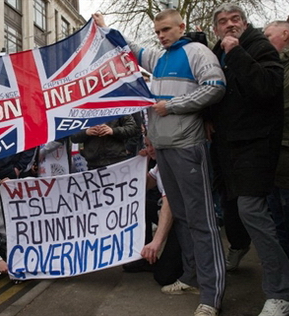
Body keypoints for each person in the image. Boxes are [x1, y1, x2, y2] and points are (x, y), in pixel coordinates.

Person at [93, 9, 226, 316]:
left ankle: (211, 295)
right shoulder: (160, 58)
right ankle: (192, 277)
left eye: (166, 29)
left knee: (201, 222)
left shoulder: (197, 52)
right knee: (182, 217)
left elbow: (216, 87)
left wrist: (174, 105)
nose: (162, 35)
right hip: (163, 149)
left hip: (187, 147)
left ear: (182, 26)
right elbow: (131, 50)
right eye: (158, 32)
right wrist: (104, 28)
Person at [208, 4, 289, 315]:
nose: (229, 25)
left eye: (235, 19)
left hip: (256, 146)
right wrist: (207, 117)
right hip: (227, 148)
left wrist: (237, 52)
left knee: (251, 210)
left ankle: (279, 292)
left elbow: (267, 88)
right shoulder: (216, 54)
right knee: (234, 211)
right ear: (215, 29)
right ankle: (240, 249)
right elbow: (216, 94)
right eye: (223, 22)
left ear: (244, 22)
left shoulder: (258, 47)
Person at [123, 136, 183, 287]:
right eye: (147, 145)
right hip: (171, 213)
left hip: (183, 221)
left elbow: (168, 207)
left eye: (152, 145)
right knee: (140, 205)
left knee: (164, 277)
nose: (149, 149)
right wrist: (142, 162)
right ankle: (144, 258)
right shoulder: (158, 165)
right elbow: (143, 185)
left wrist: (156, 242)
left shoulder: (172, 163)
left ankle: (188, 264)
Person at [264, 20, 289, 258]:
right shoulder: (273, 64)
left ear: (285, 33)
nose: (265, 41)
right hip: (274, 150)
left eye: (268, 36)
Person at [70, 116, 139, 170]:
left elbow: (132, 128)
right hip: (94, 164)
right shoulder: (82, 110)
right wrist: (86, 132)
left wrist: (113, 131)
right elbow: (73, 136)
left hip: (117, 161)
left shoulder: (117, 105)